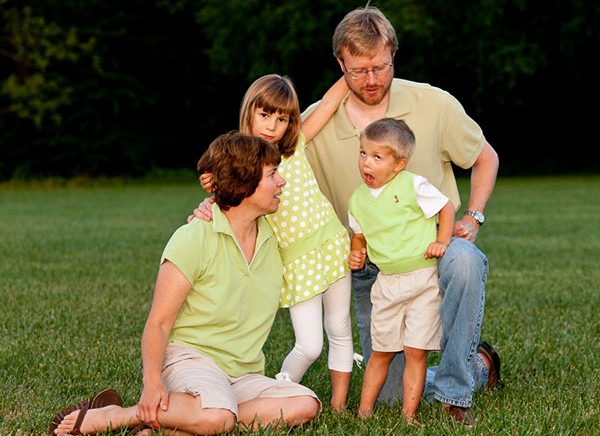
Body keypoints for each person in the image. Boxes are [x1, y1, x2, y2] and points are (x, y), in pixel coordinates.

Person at [303, 5, 501, 425]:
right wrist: (214, 199)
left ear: (394, 54)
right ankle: (480, 364)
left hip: (431, 250)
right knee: (391, 399)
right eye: (358, 71)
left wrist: (474, 216)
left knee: (465, 261)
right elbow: (260, 161)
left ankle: (455, 393)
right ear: (340, 64)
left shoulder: (433, 102)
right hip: (370, 266)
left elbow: (485, 156)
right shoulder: (317, 122)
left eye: (380, 66)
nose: (372, 80)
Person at [50, 133, 321, 436]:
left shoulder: (274, 235)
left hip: (243, 374)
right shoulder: (193, 238)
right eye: (272, 174)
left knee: (305, 403)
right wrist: (152, 385)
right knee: (219, 416)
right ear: (244, 183)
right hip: (192, 360)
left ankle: (178, 423)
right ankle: (122, 415)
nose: (282, 181)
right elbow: (159, 322)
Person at [193, 74, 355, 410]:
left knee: (339, 329)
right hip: (297, 264)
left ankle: (340, 406)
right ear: (249, 111)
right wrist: (206, 205)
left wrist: (352, 71)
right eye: (265, 115)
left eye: (282, 119)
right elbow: (225, 200)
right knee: (309, 345)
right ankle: (280, 389)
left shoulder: (295, 147)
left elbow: (327, 103)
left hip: (332, 244)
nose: (272, 126)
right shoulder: (242, 166)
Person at [347, 119, 454, 423]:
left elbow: (445, 207)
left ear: (398, 164)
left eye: (377, 157)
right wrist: (357, 252)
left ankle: (409, 415)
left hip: (422, 281)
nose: (367, 163)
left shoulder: (412, 184)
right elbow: (359, 234)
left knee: (415, 351)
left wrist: (441, 241)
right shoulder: (356, 200)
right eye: (363, 153)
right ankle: (363, 412)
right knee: (380, 352)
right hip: (387, 284)